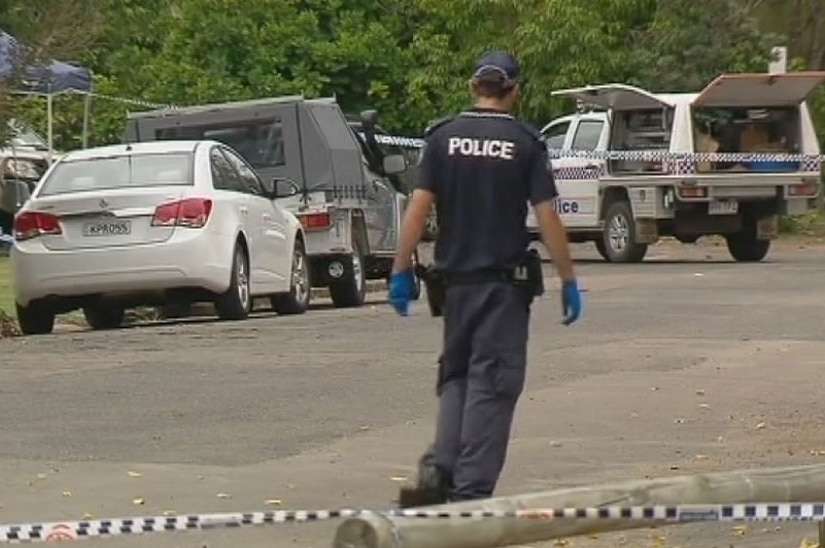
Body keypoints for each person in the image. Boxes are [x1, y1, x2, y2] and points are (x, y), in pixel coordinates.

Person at [387, 50, 582, 507]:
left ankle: (439, 471)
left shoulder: (442, 137)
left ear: (474, 87)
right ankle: (469, 502)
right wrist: (568, 279)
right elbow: (548, 215)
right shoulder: (525, 142)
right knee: (493, 383)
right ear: (514, 90)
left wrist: (399, 269)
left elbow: (417, 208)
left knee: (457, 377)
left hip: (454, 287)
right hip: (502, 288)